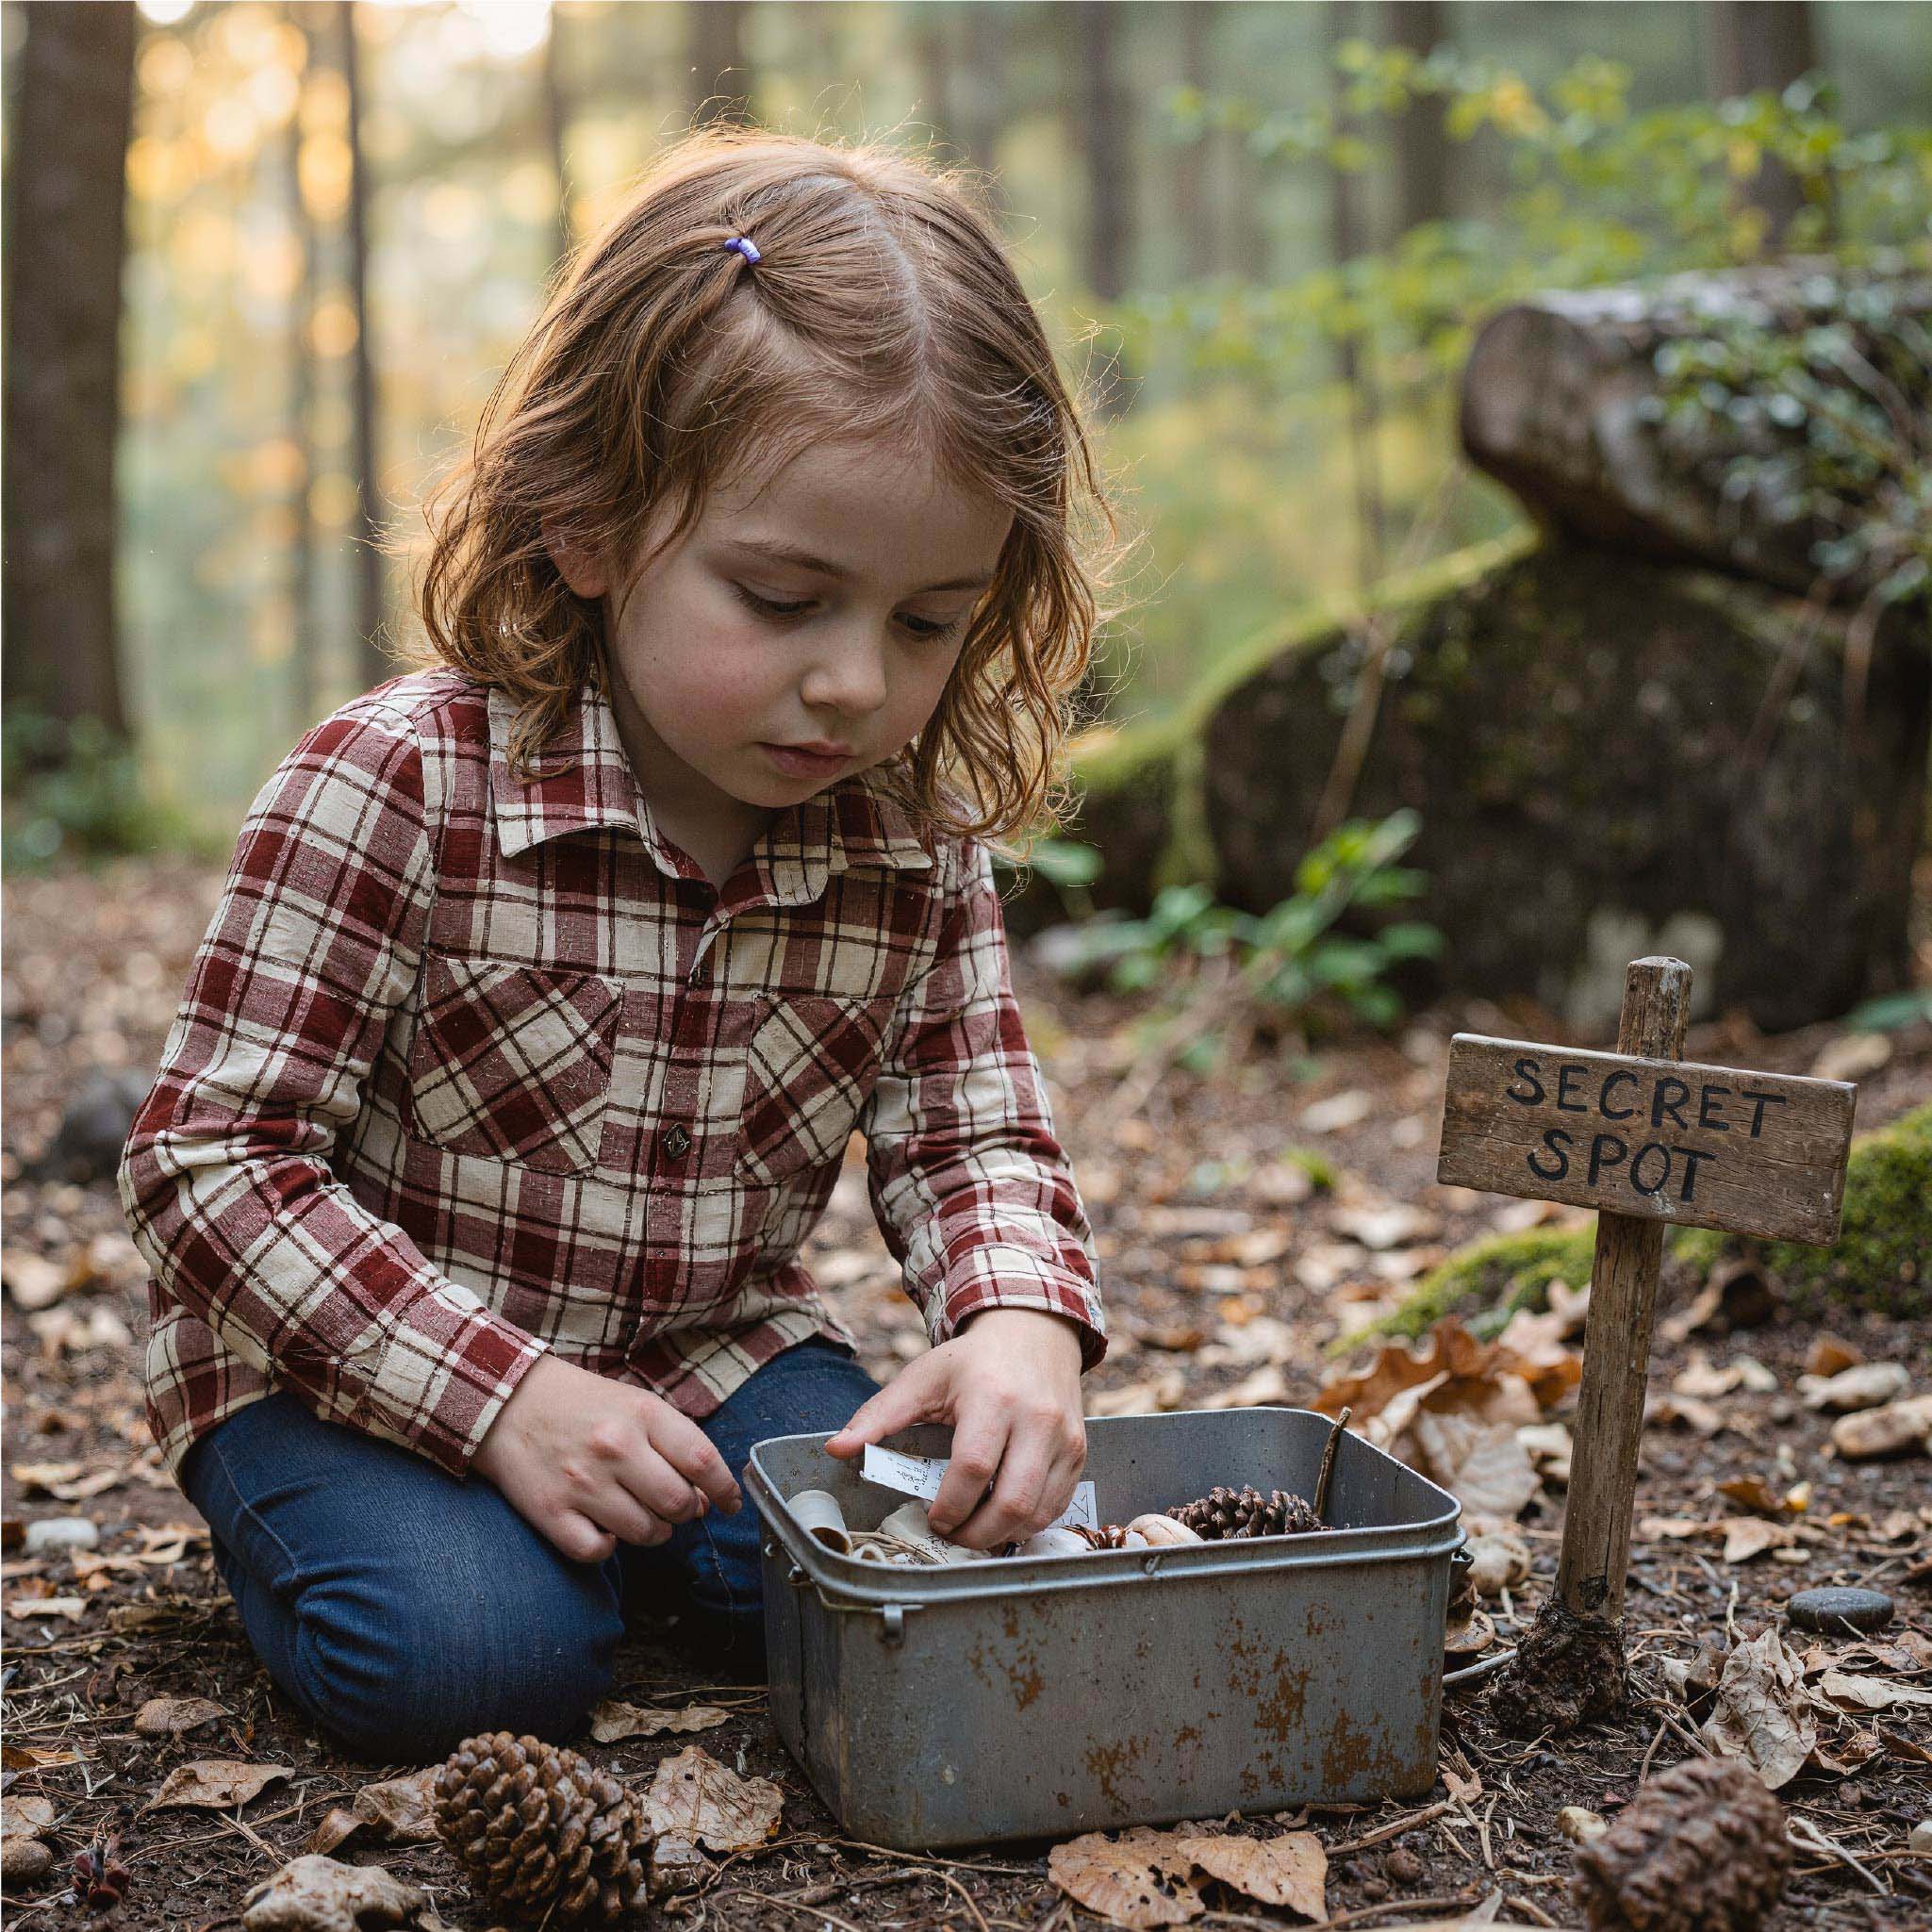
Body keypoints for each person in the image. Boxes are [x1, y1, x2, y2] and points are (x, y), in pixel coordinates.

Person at [118, 126, 1125, 1765]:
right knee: (484, 1659)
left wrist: (1019, 1318)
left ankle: (634, 1546)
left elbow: (974, 1129)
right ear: (587, 527)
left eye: (926, 621)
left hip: (702, 1361)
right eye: (783, 598)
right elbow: (211, 1160)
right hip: (357, 1367)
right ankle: (426, 1551)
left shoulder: (905, 840)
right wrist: (501, 1398)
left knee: (947, 1569)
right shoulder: (399, 779)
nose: (856, 683)